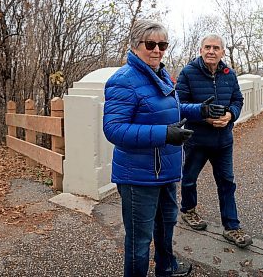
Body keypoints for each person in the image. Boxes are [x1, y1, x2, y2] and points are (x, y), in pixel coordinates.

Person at [103, 20, 224, 277]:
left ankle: (166, 267)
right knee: (139, 241)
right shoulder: (123, 80)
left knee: (167, 223)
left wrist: (199, 110)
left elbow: (171, 111)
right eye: (150, 44)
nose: (157, 50)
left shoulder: (159, 74)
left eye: (163, 44)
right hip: (138, 176)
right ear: (135, 46)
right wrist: (164, 134)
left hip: (165, 170)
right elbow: (113, 129)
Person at [175, 34, 253, 248]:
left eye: (216, 48)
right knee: (189, 179)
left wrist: (230, 115)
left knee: (227, 183)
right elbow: (179, 104)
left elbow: (238, 100)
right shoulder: (188, 72)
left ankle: (232, 227)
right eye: (207, 47)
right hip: (197, 139)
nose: (211, 51)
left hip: (223, 141)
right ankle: (188, 210)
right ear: (200, 50)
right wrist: (204, 115)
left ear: (222, 52)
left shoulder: (229, 74)